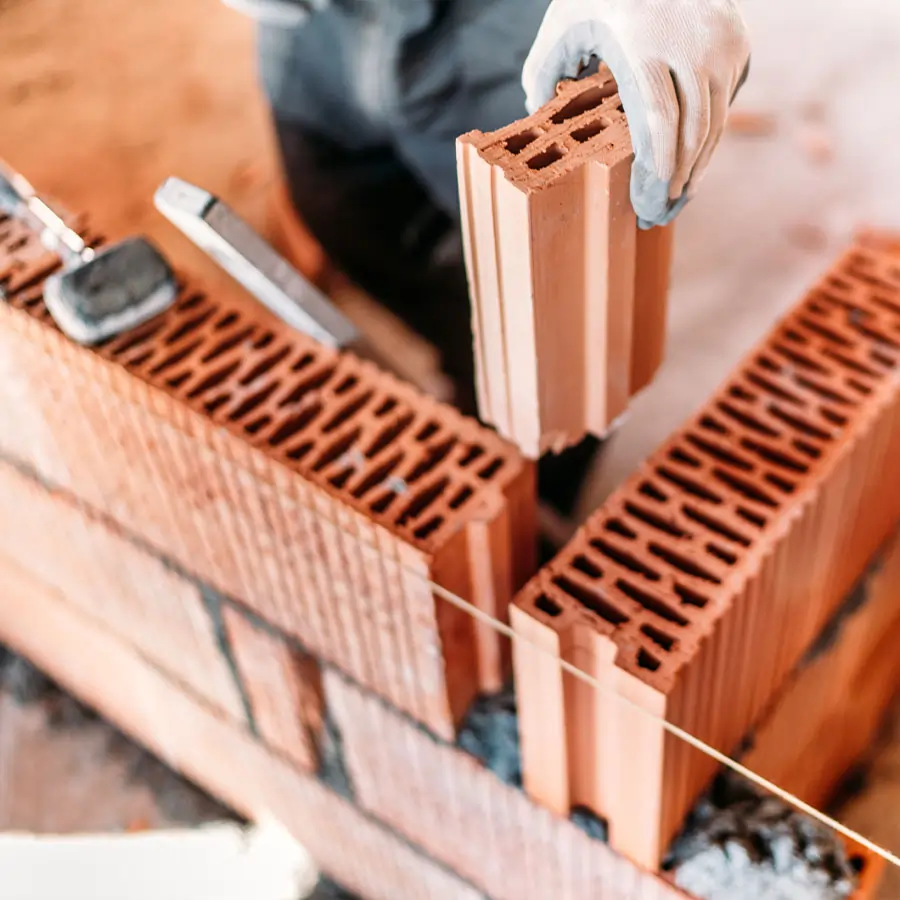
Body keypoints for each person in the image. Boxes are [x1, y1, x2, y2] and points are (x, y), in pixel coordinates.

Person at [224, 0, 751, 521]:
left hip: (507, 29)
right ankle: (470, 365)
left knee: (559, 325)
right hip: (318, 28)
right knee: (355, 223)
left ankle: (532, 486)